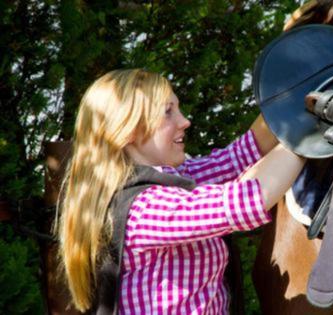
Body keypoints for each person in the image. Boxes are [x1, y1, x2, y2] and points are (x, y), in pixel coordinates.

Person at [57, 69, 305, 314]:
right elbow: (248, 199)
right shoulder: (144, 207)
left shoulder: (172, 178)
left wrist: (298, 96)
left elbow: (240, 155)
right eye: (167, 112)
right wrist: (309, 136)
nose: (184, 121)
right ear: (128, 130)